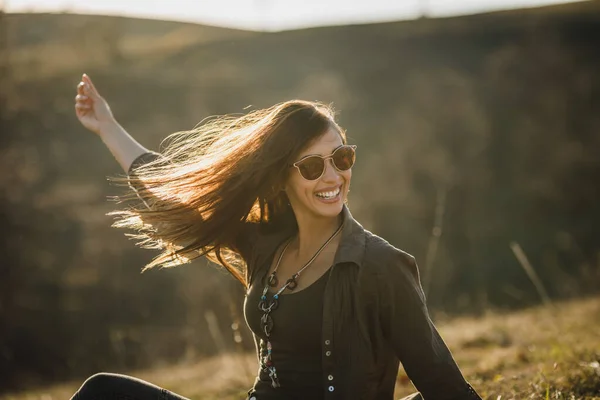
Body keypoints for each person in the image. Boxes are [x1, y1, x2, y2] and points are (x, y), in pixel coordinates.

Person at [71, 73, 482, 400]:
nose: (333, 177)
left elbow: (443, 384)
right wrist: (107, 126)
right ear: (280, 175)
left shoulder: (380, 266)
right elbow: (173, 194)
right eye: (311, 167)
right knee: (103, 392)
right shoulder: (268, 245)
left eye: (342, 158)